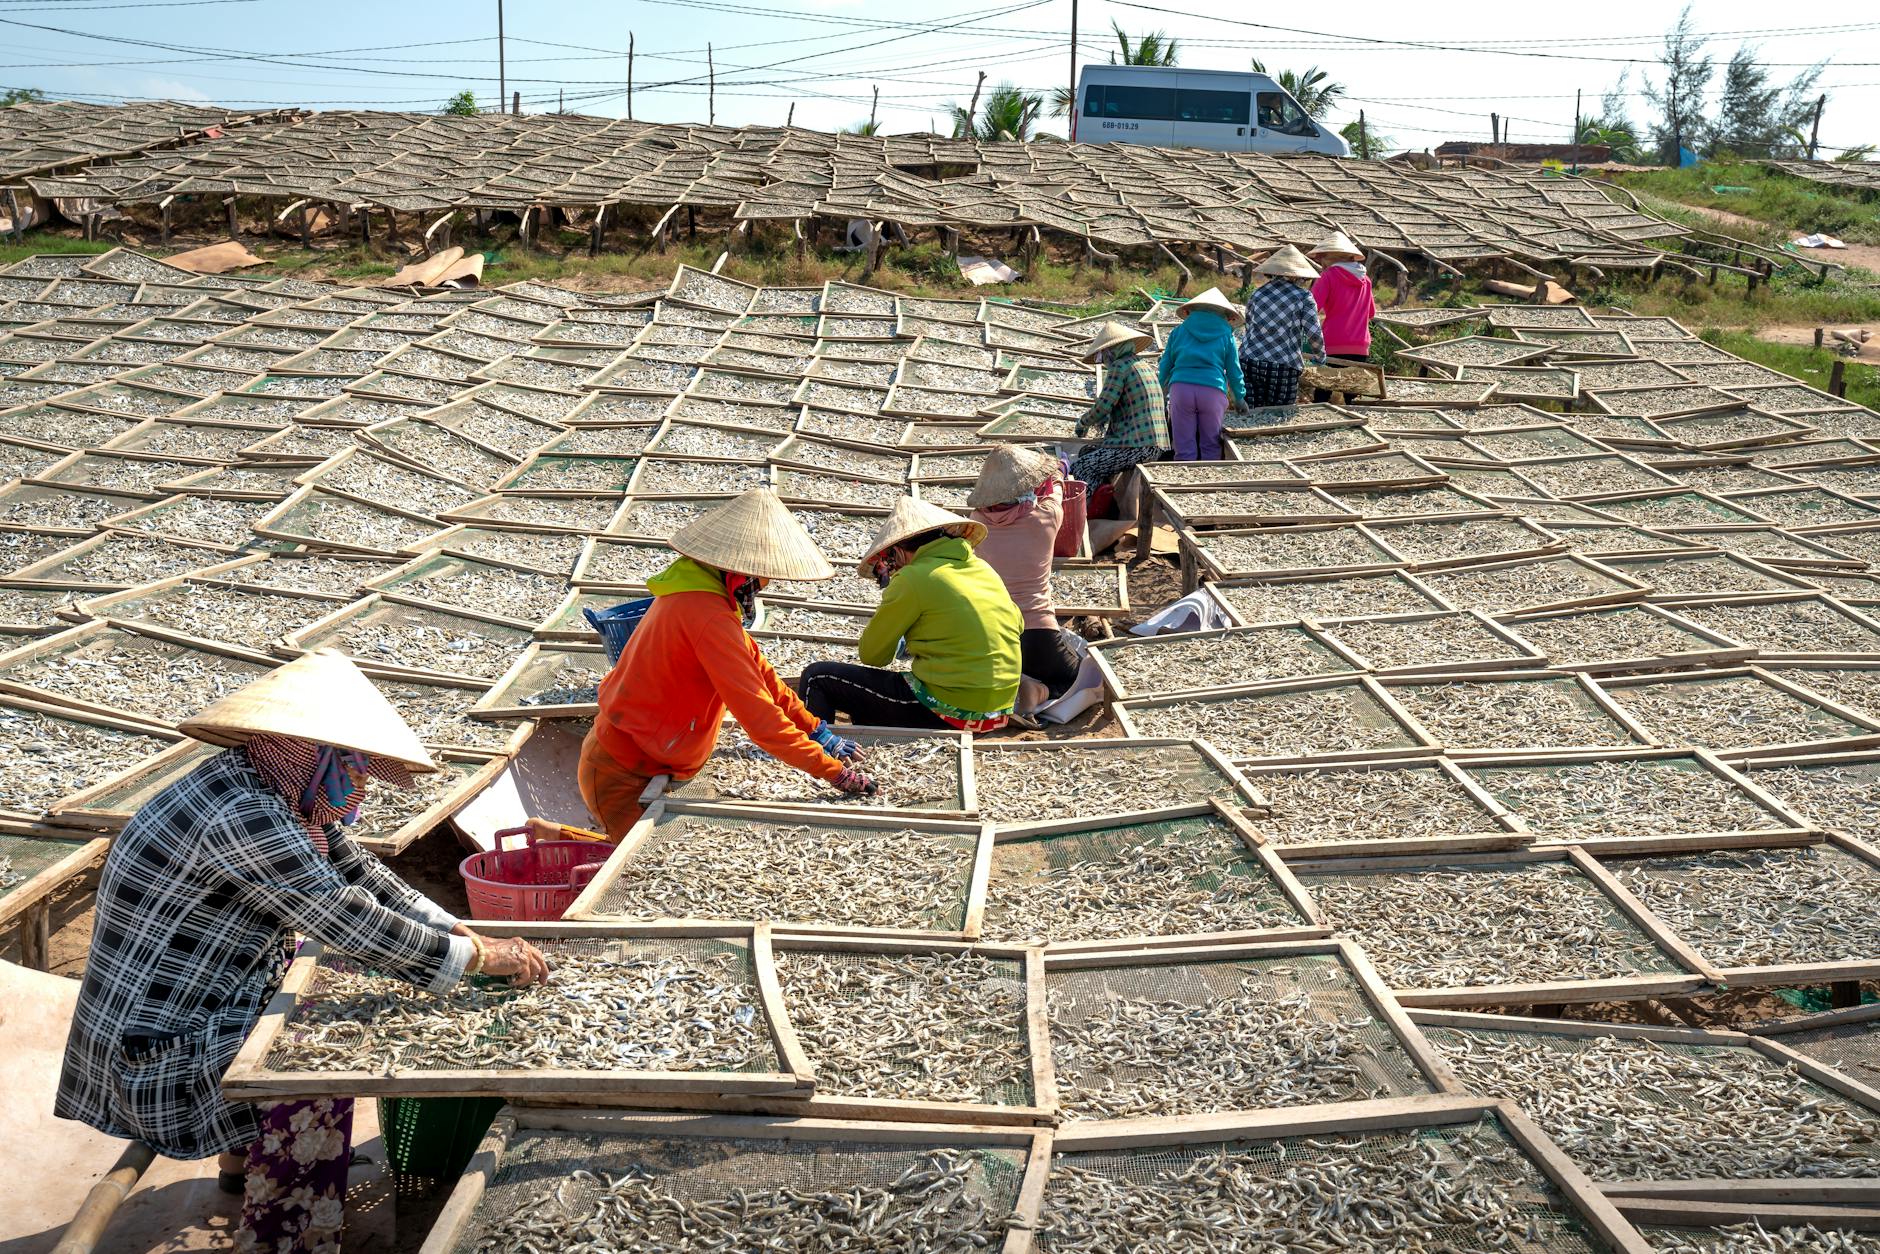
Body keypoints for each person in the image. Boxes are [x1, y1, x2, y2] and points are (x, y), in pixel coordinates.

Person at [55, 649, 550, 1254]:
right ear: (311, 753)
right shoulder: (244, 813)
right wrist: (476, 960)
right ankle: (285, 1237)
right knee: (315, 1058)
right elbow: (343, 916)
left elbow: (361, 875)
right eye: (353, 763)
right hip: (157, 1054)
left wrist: (464, 932)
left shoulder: (270, 785)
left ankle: (240, 1165)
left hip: (196, 1007)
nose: (363, 779)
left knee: (341, 980)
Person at [582, 488, 872, 837]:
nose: (763, 587)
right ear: (739, 576)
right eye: (761, 580)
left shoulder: (700, 598)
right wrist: (834, 773)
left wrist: (817, 731)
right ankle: (555, 838)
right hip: (625, 770)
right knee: (624, 872)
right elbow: (759, 717)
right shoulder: (706, 616)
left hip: (649, 760)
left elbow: (765, 680)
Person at [800, 496, 1022, 732]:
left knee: (818, 678)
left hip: (951, 708)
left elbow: (873, 655)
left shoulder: (912, 578)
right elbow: (1017, 625)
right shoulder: (982, 569)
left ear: (898, 552)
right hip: (998, 710)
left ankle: (814, 752)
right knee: (884, 692)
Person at [968, 445, 1083, 711]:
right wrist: (1061, 469)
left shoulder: (976, 522)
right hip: (1039, 635)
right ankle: (1038, 689)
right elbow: (1056, 485)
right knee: (1079, 679)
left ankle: (1019, 682)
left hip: (994, 640)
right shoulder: (1045, 516)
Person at [1068, 321, 1167, 489]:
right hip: (1156, 444)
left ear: (1111, 351)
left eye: (1102, 355)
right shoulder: (1142, 365)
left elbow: (1103, 406)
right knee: (1087, 452)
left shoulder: (1119, 367)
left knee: (1083, 467)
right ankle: (1104, 501)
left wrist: (1083, 423)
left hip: (1136, 446)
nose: (1103, 360)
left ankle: (1084, 512)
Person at [1156, 286, 1246, 462]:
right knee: (1211, 444)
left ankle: (1182, 484)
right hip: (1212, 391)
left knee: (1183, 445)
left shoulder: (1178, 332)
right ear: (1226, 315)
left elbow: (1166, 364)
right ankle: (1207, 485)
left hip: (1181, 390)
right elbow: (1234, 370)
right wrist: (1239, 398)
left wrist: (1159, 391)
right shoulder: (1226, 335)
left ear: (1191, 311)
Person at [1240, 244, 1328, 408]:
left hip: (1249, 360)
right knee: (1279, 414)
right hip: (1283, 365)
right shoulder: (1303, 296)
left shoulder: (1257, 293)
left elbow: (1249, 325)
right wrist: (1320, 356)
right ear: (1298, 276)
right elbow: (1313, 332)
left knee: (1251, 414)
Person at [1308, 229, 1375, 361]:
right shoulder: (1365, 279)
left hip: (1334, 341)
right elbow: (1371, 313)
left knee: (1332, 380)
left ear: (1327, 258)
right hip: (1361, 346)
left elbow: (1310, 308)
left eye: (1321, 258)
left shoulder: (1328, 276)